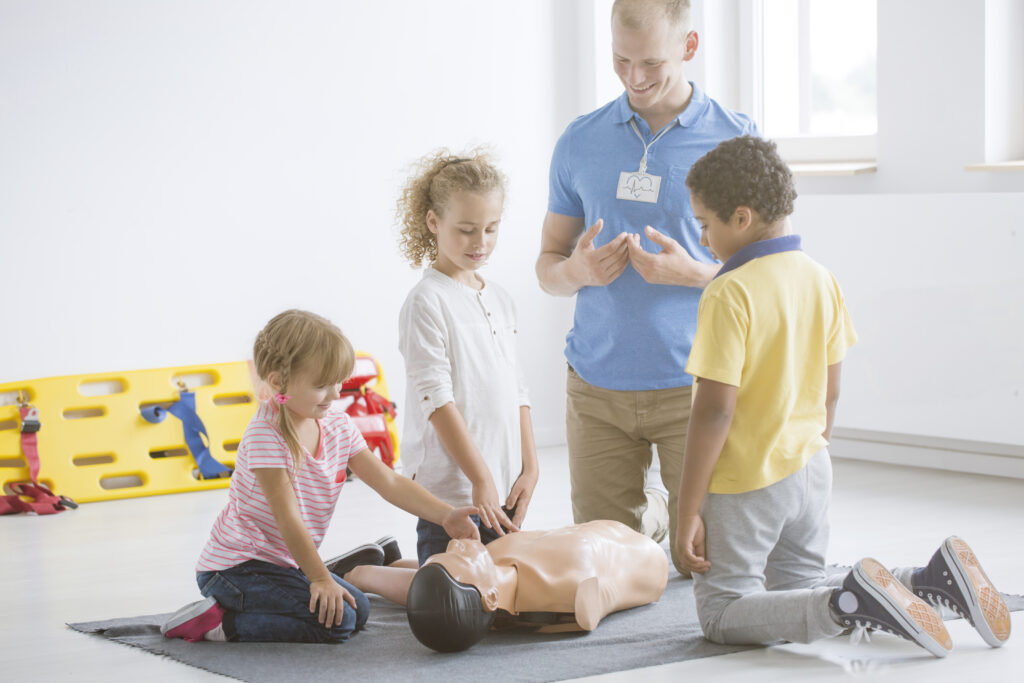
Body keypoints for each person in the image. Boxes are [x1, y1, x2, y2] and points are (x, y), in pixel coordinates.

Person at [675, 135, 1011, 655]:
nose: (702, 239)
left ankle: (846, 605)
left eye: (704, 225)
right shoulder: (819, 277)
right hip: (811, 468)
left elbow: (715, 410)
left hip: (747, 480)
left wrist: (688, 508)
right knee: (799, 588)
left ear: (739, 219)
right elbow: (831, 390)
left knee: (722, 612)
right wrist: (813, 446)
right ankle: (930, 579)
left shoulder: (729, 290)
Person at [535, 0, 756, 575]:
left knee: (703, 562)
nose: (635, 78)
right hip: (596, 389)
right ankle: (656, 511)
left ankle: (665, 510)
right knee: (606, 565)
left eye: (651, 62)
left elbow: (772, 276)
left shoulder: (737, 141)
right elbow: (546, 266)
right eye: (621, 60)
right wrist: (576, 272)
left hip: (697, 387)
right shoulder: (579, 142)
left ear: (689, 47)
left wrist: (697, 274)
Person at [160, 310, 481, 644]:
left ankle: (313, 580)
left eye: (338, 382)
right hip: (234, 569)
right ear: (277, 382)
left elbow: (389, 481)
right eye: (321, 386)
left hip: (282, 563)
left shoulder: (336, 425)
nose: (334, 395)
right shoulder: (265, 437)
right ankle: (220, 624)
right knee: (339, 624)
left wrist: (444, 515)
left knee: (360, 612)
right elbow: (288, 519)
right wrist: (319, 578)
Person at [397, 148, 538, 565]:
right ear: (433, 222)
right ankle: (368, 571)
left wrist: (529, 468)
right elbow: (436, 401)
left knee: (504, 596)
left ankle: (389, 565)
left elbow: (519, 390)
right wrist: (480, 479)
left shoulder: (501, 298)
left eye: (491, 229)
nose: (481, 243)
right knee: (457, 604)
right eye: (466, 230)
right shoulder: (427, 302)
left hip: (503, 486)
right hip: (455, 493)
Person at [334, 519, 669, 652]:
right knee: (440, 588)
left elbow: (460, 591)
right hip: (646, 554)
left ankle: (380, 566)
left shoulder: (492, 568)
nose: (455, 545)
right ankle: (358, 574)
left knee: (440, 582)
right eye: (460, 558)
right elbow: (589, 607)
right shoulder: (570, 590)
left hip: (612, 537)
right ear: (491, 596)